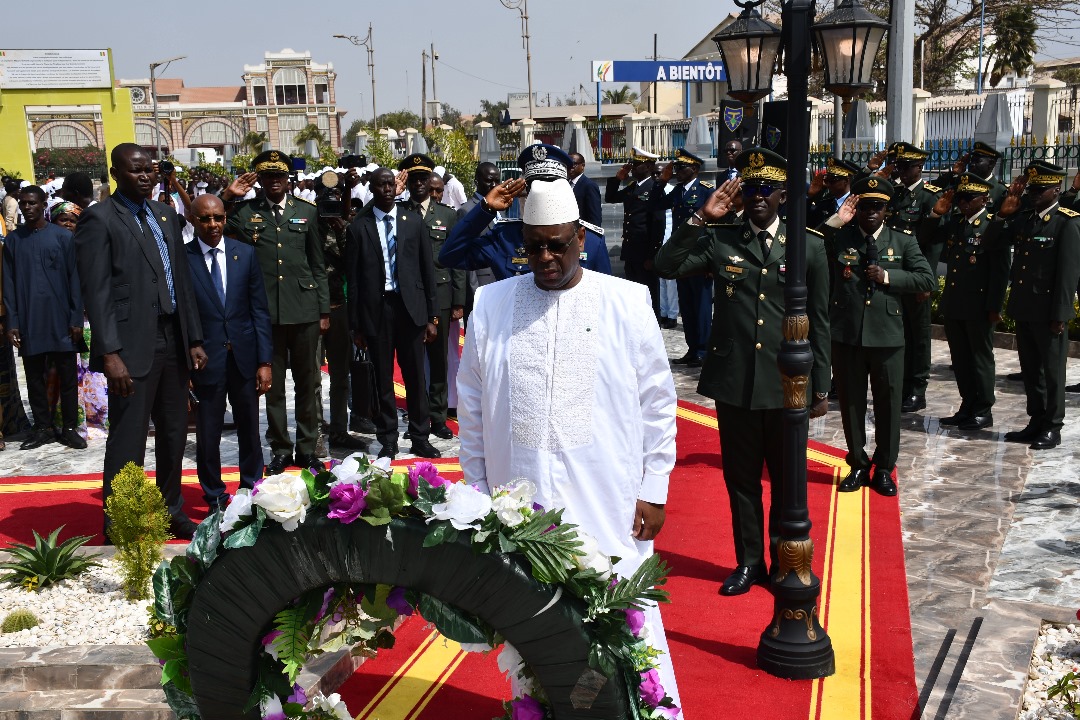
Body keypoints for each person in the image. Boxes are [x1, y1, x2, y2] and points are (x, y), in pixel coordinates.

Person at [457, 176, 681, 713]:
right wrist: (478, 493)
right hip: (521, 506)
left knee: (621, 622)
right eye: (534, 245)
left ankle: (632, 710)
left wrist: (655, 487)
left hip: (608, 499)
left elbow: (658, 400)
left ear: (581, 238)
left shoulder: (627, 300)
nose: (546, 256)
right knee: (532, 628)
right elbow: (471, 405)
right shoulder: (491, 302)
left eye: (557, 244)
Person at [655, 148, 831, 596]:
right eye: (749, 188)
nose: (757, 197)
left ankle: (781, 563)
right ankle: (749, 562)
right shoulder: (722, 239)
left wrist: (821, 386)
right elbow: (666, 266)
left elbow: (820, 319)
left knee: (786, 482)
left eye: (766, 189)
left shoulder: (807, 244)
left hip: (787, 382)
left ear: (782, 194)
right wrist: (700, 217)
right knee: (741, 480)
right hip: (735, 381)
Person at [75, 143, 208, 540]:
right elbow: (95, 293)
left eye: (150, 169)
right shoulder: (99, 220)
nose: (146, 176)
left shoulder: (165, 215)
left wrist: (194, 339)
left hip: (173, 340)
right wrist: (109, 354)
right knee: (129, 438)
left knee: (173, 434)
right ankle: (121, 521)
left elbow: (180, 282)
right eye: (136, 171)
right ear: (116, 174)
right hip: (131, 347)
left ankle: (170, 510)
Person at [822, 175, 936, 495]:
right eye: (865, 205)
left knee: (888, 404)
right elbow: (810, 243)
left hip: (887, 336)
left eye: (878, 206)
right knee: (851, 404)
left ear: (887, 210)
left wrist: (887, 276)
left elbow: (925, 279)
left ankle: (884, 466)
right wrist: (836, 218)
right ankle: (858, 464)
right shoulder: (841, 237)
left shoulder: (902, 241)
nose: (871, 212)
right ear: (856, 207)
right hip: (847, 335)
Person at [222, 150, 330, 475]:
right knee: (272, 386)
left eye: (279, 176)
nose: (274, 182)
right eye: (267, 177)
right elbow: (205, 219)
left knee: (308, 382)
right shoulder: (245, 212)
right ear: (260, 180)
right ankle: (281, 448)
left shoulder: (307, 213)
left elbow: (317, 264)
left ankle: (308, 448)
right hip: (264, 313)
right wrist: (228, 196)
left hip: (304, 310)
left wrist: (323, 310)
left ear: (288, 179)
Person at [344, 167, 440, 460]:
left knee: (415, 377)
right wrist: (356, 326)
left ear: (397, 188)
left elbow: (427, 269)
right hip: (377, 310)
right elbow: (355, 279)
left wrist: (432, 316)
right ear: (372, 189)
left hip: (410, 308)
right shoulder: (359, 228)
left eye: (390, 184)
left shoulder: (413, 222)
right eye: (380, 185)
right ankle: (388, 439)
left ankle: (420, 436)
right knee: (383, 379)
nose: (387, 189)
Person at [184, 194, 273, 509]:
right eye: (205, 219)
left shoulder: (245, 254)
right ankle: (214, 494)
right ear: (193, 220)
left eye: (218, 218)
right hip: (206, 360)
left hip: (244, 356)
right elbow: (182, 315)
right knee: (208, 432)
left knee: (250, 426)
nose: (212, 225)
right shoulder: (183, 258)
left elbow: (259, 310)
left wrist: (265, 361)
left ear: (225, 219)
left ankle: (252, 486)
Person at [992, 162, 1080, 449]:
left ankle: (1052, 426)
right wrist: (1003, 213)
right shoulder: (1026, 219)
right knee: (1031, 370)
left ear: (1056, 190)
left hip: (1048, 312)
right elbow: (996, 239)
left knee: (1053, 373)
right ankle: (1036, 420)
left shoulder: (1067, 222)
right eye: (1032, 189)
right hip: (1025, 307)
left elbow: (1068, 274)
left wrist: (1061, 314)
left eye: (1040, 190)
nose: (1034, 194)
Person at [440, 144, 612, 280]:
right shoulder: (506, 236)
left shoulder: (591, 240)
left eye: (552, 184)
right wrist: (485, 208)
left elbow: (604, 298)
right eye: (536, 186)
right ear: (525, 190)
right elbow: (449, 256)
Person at [3, 186, 87, 451]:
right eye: (23, 204)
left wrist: (75, 318)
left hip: (61, 320)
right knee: (34, 377)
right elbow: (9, 284)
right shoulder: (14, 241)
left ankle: (69, 428)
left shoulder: (63, 237)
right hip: (29, 321)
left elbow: (75, 279)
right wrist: (12, 322)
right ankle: (43, 428)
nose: (27, 208)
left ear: (43, 204)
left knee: (67, 377)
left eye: (32, 203)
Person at [929, 177, 1011, 431]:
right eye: (960, 199)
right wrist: (935, 215)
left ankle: (983, 409)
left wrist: (994, 306)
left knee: (980, 358)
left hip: (979, 305)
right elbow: (928, 238)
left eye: (969, 199)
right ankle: (968, 404)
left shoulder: (991, 226)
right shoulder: (955, 224)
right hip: (955, 304)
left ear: (984, 199)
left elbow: (1000, 271)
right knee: (961, 358)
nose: (963, 204)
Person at [398, 153, 465, 441]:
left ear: (431, 180)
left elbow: (457, 260)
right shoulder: (398, 213)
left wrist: (459, 300)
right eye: (413, 179)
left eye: (423, 178)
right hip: (410, 298)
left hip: (441, 295)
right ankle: (418, 419)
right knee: (412, 364)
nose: (419, 184)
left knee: (439, 363)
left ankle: (438, 418)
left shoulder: (447, 215)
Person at [883, 142, 942, 414]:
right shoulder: (893, 194)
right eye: (899, 167)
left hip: (916, 277)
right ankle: (903, 384)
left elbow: (932, 244)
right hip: (895, 275)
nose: (902, 172)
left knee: (918, 335)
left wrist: (925, 280)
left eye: (907, 167)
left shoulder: (931, 197)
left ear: (920, 167)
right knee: (900, 332)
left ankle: (918, 389)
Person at [651, 148, 714, 365]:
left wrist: (711, 259)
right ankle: (692, 347)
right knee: (686, 304)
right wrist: (661, 181)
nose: (677, 171)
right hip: (681, 256)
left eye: (681, 167)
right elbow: (656, 204)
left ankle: (704, 350)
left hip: (700, 256)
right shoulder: (678, 191)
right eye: (676, 167)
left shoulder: (706, 191)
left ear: (695, 169)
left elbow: (713, 227)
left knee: (702, 305)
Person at [605, 147, 663, 317]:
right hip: (631, 249)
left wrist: (652, 256)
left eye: (638, 164)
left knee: (649, 291)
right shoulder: (632, 187)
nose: (633, 167)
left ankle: (653, 323)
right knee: (633, 291)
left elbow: (658, 225)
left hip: (645, 251)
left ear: (649, 167)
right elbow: (611, 198)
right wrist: (617, 179)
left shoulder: (654, 188)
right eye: (633, 164)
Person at [932, 142, 1009, 214]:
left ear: (991, 164)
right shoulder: (961, 183)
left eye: (977, 161)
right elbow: (935, 191)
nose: (972, 164)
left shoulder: (1000, 191)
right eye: (972, 160)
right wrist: (952, 173)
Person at [806, 157, 861, 229]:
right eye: (826, 180)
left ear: (846, 181)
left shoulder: (858, 204)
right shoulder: (824, 205)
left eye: (832, 181)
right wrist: (811, 196)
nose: (828, 185)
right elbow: (807, 224)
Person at [568, 152, 602, 227]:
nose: (570, 167)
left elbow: (594, 218)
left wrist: (591, 237)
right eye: (568, 164)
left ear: (582, 166)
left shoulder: (589, 186)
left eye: (574, 164)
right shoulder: (565, 184)